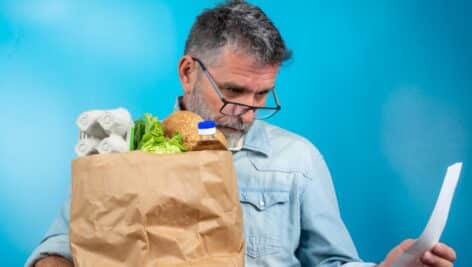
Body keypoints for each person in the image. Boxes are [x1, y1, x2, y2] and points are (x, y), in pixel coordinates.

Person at [26, 1, 457, 267]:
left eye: (262, 94)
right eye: (233, 91)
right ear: (188, 73)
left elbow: (331, 263)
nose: (247, 112)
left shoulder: (298, 161)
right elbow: (60, 247)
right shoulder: (122, 150)